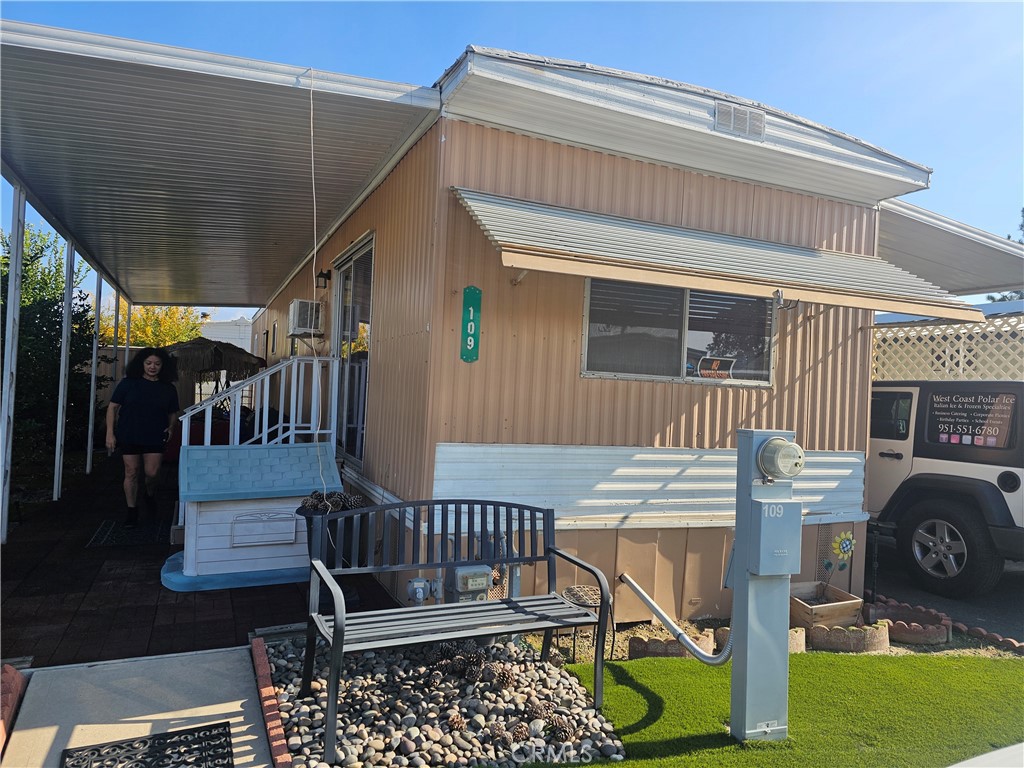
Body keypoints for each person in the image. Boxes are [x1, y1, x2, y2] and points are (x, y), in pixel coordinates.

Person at [105, 347, 180, 527]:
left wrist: (171, 427)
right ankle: (132, 511)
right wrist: (110, 433)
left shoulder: (168, 388)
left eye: (157, 364)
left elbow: (173, 413)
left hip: (155, 435)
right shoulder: (128, 383)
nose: (152, 367)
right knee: (131, 472)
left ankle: (149, 493)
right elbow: (112, 407)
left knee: (152, 473)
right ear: (142, 364)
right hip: (129, 433)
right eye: (149, 363)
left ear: (163, 366)